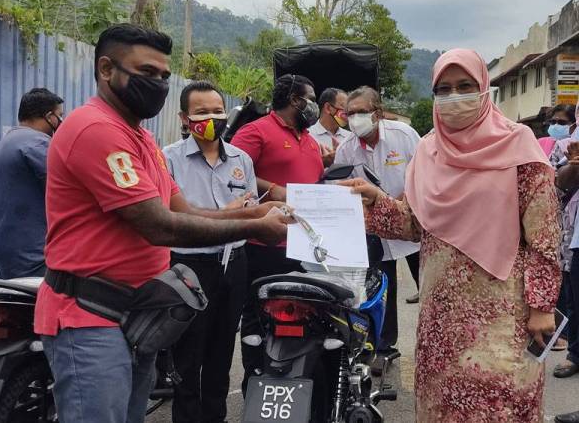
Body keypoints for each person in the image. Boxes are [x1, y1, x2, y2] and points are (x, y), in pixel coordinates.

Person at [34, 24, 290, 423]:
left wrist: (251, 212)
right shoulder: (95, 130)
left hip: (139, 314)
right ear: (106, 69)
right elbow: (161, 227)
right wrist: (253, 228)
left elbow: (183, 210)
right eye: (146, 73)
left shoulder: (141, 139)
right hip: (89, 317)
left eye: (163, 76)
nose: (157, 84)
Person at [341, 49, 560, 422]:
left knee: (501, 405)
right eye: (443, 89)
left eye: (464, 86)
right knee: (443, 407)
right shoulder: (429, 151)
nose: (453, 97)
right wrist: (375, 200)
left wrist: (541, 307)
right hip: (441, 318)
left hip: (501, 314)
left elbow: (545, 237)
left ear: (483, 89)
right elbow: (413, 223)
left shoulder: (518, 145)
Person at [163, 81, 261, 423]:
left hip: (233, 263)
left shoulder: (241, 160)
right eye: (201, 112)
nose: (211, 118)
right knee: (188, 357)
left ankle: (215, 416)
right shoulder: (169, 159)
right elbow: (173, 216)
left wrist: (243, 212)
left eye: (217, 111)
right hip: (189, 267)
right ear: (184, 118)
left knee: (222, 354)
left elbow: (251, 207)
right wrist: (234, 212)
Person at [231, 73, 324, 394]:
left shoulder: (310, 139)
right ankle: (254, 380)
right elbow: (233, 169)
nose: (315, 105)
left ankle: (295, 381)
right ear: (295, 100)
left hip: (305, 248)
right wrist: (274, 190)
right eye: (311, 98)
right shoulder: (256, 131)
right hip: (263, 243)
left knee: (303, 317)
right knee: (259, 316)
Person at [334, 86, 421, 358]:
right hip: (374, 230)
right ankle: (383, 347)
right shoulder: (347, 149)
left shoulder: (404, 136)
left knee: (429, 286)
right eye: (350, 114)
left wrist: (399, 204)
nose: (355, 118)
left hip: (413, 227)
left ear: (378, 113)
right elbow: (342, 190)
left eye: (362, 112)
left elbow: (424, 176)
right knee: (381, 289)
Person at [0, 88, 64, 279]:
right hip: (31, 252)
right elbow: (67, 189)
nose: (61, 122)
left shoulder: (9, 141)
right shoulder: (36, 143)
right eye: (59, 116)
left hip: (7, 247)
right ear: (49, 116)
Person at [553, 101, 579, 423]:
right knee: (574, 304)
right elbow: (556, 182)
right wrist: (573, 166)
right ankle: (575, 353)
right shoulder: (568, 144)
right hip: (576, 240)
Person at [548, 104, 577, 353]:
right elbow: (553, 187)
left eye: (561, 121)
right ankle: (564, 337)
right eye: (554, 121)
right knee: (565, 286)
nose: (556, 126)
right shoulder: (562, 148)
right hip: (565, 228)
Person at [309, 87, 350, 166]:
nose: (348, 111)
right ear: (328, 108)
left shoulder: (350, 137)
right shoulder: (308, 136)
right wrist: (323, 163)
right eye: (344, 106)